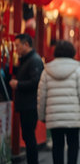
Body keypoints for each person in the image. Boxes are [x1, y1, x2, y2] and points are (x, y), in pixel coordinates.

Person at [37, 40, 80, 164]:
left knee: (57, 145)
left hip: (54, 115)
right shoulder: (78, 70)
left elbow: (41, 95)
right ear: (72, 52)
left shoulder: (46, 71)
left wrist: (42, 115)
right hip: (73, 115)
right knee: (73, 144)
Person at [10, 34, 43, 164]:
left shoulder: (34, 60)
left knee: (29, 136)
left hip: (30, 104)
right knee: (27, 136)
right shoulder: (25, 59)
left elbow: (36, 82)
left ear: (26, 45)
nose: (16, 48)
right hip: (26, 103)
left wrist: (18, 84)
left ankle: (33, 161)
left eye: (17, 45)